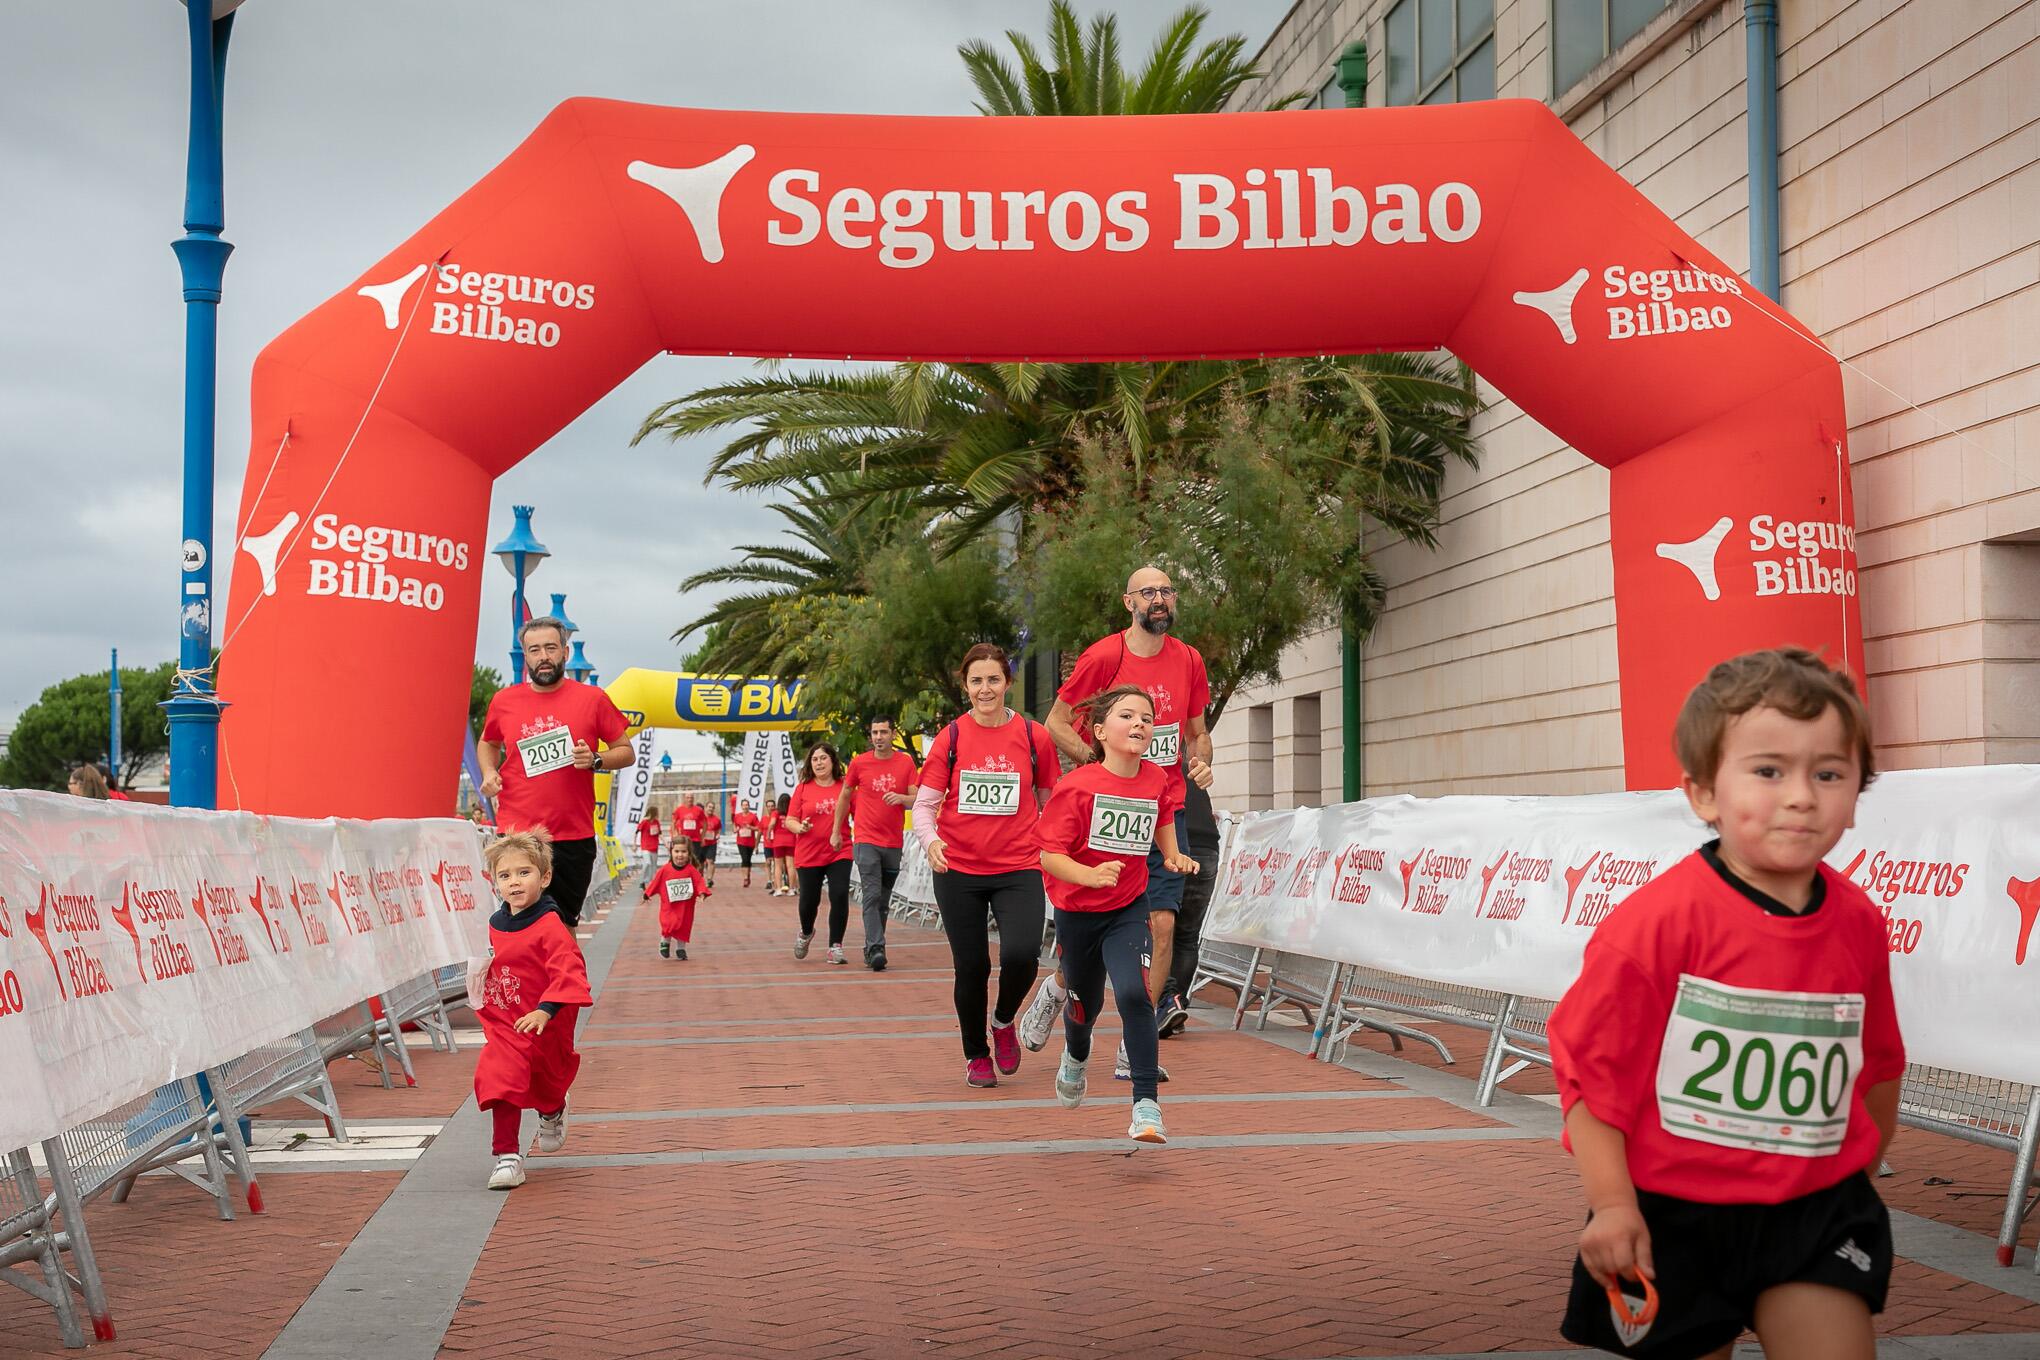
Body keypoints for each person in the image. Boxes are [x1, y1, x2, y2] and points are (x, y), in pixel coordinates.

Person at [1548, 648, 1903, 1360]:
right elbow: (1594, 1084)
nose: (1802, 795)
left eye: (1828, 773)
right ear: (1704, 794)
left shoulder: (1859, 922)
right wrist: (1615, 1204)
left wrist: (1855, 1171)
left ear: (1858, 792)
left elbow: (1880, 1064)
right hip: (1671, 1221)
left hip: (1814, 1212)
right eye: (1769, 771)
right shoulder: (1655, 925)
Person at [1024, 565, 1213, 1080]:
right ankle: (1057, 988)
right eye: (1148, 592)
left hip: (1162, 810)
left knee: (1164, 921)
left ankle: (1137, 1042)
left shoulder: (1189, 659)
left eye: (1167, 591)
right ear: (1129, 602)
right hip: (1106, 816)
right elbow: (1056, 721)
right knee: (1088, 948)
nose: (1160, 599)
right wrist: (1095, 765)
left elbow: (1197, 732)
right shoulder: (1105, 655)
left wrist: (1200, 759)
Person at [1034, 683, 1193, 1144]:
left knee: (1134, 995)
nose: (1140, 724)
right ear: (1100, 731)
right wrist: (1088, 876)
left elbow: (1162, 814)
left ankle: (1146, 1107)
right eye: (1128, 716)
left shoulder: (1155, 778)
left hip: (1127, 908)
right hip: (1077, 911)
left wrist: (1172, 853)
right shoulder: (1078, 786)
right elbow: (1047, 853)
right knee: (1085, 1004)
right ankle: (1075, 1058)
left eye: (1146, 718)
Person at [915, 644, 1062, 1088]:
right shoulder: (952, 738)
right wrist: (931, 840)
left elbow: (1050, 803)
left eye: (993, 680)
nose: (985, 689)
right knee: (973, 966)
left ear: (1007, 683)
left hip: (1018, 866)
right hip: (958, 870)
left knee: (1022, 955)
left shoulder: (1034, 737)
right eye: (976, 681)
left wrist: (1054, 848)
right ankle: (976, 1054)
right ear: (966, 687)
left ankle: (1002, 1021)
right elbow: (925, 806)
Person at [477, 617, 632, 928]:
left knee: (562, 925)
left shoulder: (593, 699)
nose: (543, 656)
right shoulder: (504, 701)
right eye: (534, 650)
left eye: (550, 648)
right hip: (519, 834)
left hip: (572, 835)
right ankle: (527, 978)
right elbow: (488, 742)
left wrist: (596, 759)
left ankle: (567, 979)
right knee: (520, 921)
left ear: (564, 650)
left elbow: (625, 751)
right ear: (526, 656)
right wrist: (489, 772)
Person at [470, 830, 592, 1191]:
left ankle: (553, 1109)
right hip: (508, 1023)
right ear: (495, 883)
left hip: (546, 1021)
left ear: (545, 877)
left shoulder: (550, 924)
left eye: (524, 873)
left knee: (545, 1080)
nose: (514, 882)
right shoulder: (495, 924)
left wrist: (546, 1010)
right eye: (505, 876)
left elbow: (569, 970)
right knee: (500, 1078)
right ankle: (507, 1157)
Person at [832, 717, 914, 972]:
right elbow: (844, 796)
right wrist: (837, 831)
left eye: (883, 732)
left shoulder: (905, 762)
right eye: (874, 732)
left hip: (893, 842)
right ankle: (877, 947)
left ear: (893, 734)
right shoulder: (859, 763)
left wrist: (901, 798)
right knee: (872, 894)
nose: (878, 737)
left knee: (883, 899)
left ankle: (871, 947)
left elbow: (916, 799)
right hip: (866, 840)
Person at [1156, 777, 1221, 1038]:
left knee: (1162, 930)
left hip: (1173, 845)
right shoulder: (1192, 768)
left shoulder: (1150, 771)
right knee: (1187, 936)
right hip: (1207, 848)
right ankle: (1174, 1006)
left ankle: (1167, 1002)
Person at [785, 743, 854, 963]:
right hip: (809, 853)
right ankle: (806, 932)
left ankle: (835, 946)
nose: (819, 763)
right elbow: (790, 820)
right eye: (815, 759)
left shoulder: (845, 787)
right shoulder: (804, 788)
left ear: (833, 761)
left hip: (839, 851)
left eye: (823, 758)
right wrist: (800, 828)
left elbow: (862, 812)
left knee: (840, 894)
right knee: (808, 901)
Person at [643, 838, 711, 960]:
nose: (680, 855)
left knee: (684, 925)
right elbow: (655, 882)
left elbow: (699, 882)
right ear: (671, 852)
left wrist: (702, 893)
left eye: (684, 851)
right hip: (669, 906)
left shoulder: (691, 870)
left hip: (685, 907)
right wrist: (647, 894)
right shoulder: (665, 869)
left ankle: (681, 948)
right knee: (669, 923)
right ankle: (665, 941)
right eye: (677, 851)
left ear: (689, 854)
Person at [767, 794, 797, 896]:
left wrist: (768, 834)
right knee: (791, 865)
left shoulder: (775, 813)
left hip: (778, 841)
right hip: (791, 840)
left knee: (778, 866)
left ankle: (778, 889)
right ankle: (792, 889)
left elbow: (772, 823)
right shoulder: (792, 813)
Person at [732, 798, 761, 889]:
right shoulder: (737, 816)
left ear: (749, 806)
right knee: (744, 858)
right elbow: (734, 827)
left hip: (750, 842)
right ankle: (745, 878)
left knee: (748, 859)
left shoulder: (753, 816)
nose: (745, 807)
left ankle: (747, 875)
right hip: (741, 841)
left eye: (746, 805)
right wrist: (735, 830)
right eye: (743, 805)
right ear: (741, 806)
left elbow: (758, 828)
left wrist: (750, 827)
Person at [699, 802, 723, 887]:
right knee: (700, 863)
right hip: (701, 843)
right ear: (705, 808)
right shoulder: (700, 818)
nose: (710, 809)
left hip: (712, 843)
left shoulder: (716, 819)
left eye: (712, 807)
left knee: (711, 861)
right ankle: (700, 878)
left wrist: (718, 835)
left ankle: (709, 879)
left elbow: (718, 830)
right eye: (709, 807)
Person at [635, 809, 662, 880]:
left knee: (653, 866)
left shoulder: (657, 822)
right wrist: (634, 844)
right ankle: (643, 880)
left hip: (654, 847)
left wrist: (666, 843)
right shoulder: (644, 822)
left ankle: (652, 882)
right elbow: (636, 832)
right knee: (647, 863)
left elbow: (660, 834)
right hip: (645, 846)